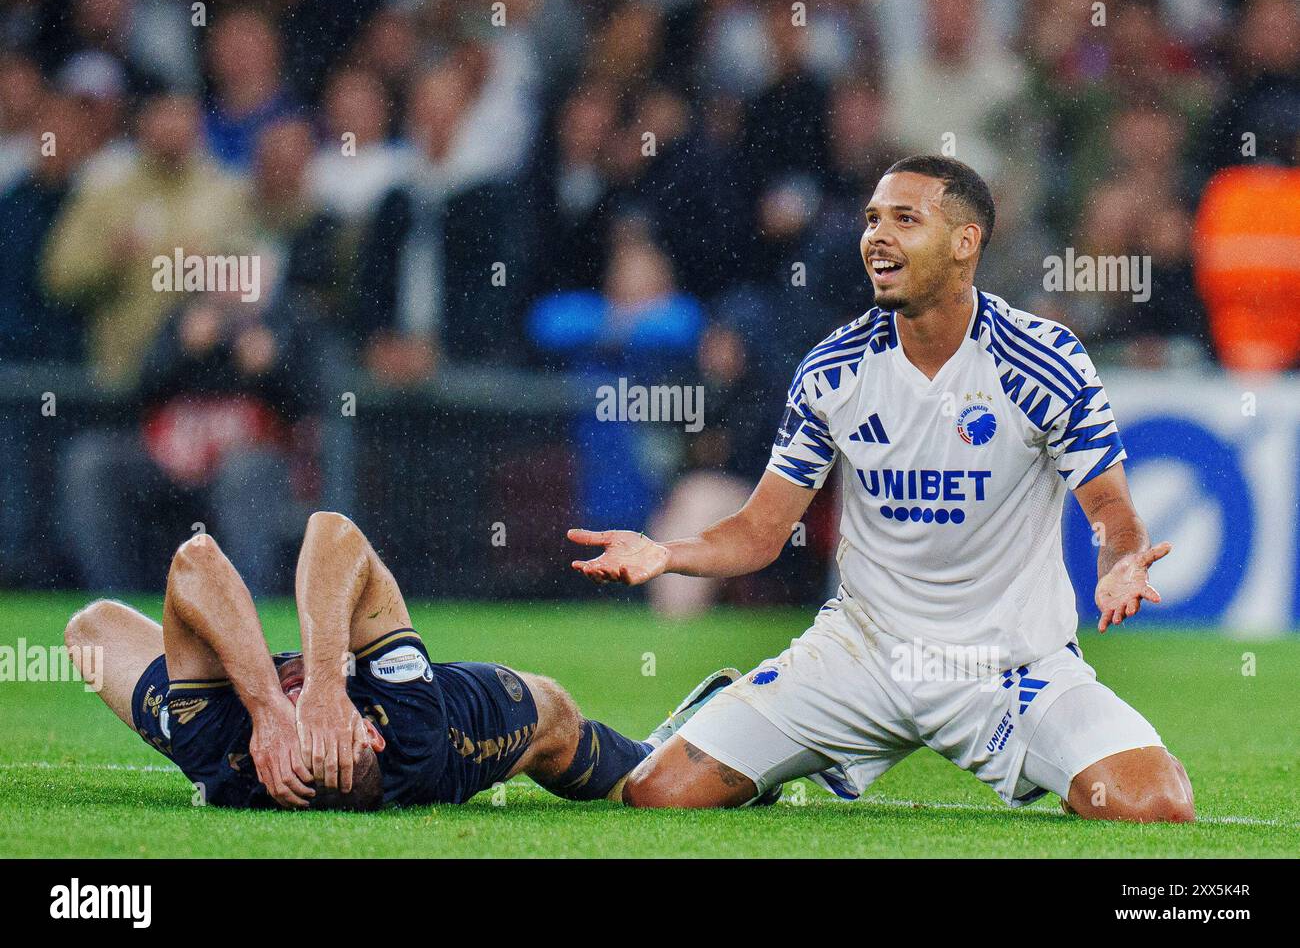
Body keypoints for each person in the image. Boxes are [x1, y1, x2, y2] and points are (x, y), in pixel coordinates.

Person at [569, 155, 1196, 823]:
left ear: (965, 242)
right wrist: (668, 554)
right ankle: (740, 710)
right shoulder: (833, 369)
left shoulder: (1042, 360)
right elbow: (759, 531)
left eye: (905, 218)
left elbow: (1109, 509)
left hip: (1006, 667)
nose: (877, 235)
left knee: (1154, 804)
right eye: (872, 219)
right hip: (860, 657)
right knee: (657, 792)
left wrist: (1121, 559)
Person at [65, 512, 731, 810]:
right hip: (446, 733)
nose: (303, 712)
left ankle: (235, 666)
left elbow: (193, 561)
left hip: (244, 708)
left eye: (303, 728)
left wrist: (265, 702)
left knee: (89, 636)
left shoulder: (224, 751)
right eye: (317, 725)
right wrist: (324, 683)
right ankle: (670, 743)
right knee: (555, 724)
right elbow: (335, 530)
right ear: (369, 730)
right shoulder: (410, 727)